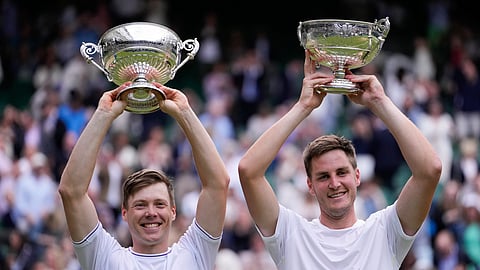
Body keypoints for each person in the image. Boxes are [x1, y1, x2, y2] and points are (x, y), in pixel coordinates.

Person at [237, 51, 442, 269]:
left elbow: (430, 170)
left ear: (357, 176)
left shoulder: (385, 231)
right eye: (323, 176)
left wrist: (379, 102)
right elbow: (249, 171)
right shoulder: (291, 234)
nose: (334, 183)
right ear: (310, 185)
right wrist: (303, 107)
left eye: (342, 172)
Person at [58, 81, 230, 269]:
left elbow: (218, 184)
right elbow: (71, 192)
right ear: (124, 213)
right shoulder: (104, 257)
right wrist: (103, 115)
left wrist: (184, 112)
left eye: (159, 204)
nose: (151, 212)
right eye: (140, 205)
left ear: (173, 211)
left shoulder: (195, 252)